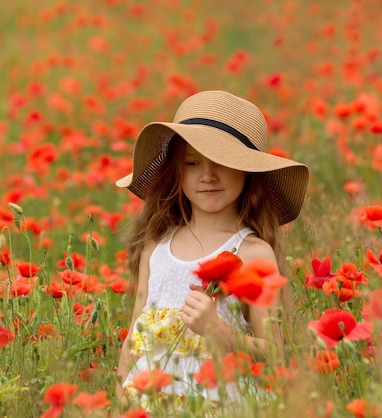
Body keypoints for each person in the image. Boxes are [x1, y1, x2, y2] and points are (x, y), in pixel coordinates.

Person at [114, 90, 309, 404]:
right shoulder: (156, 249)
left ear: (248, 171)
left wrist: (221, 334)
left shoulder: (253, 254)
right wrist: (119, 398)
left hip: (220, 403)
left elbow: (275, 351)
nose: (207, 176)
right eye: (192, 163)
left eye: (221, 162)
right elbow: (135, 341)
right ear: (176, 171)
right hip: (153, 404)